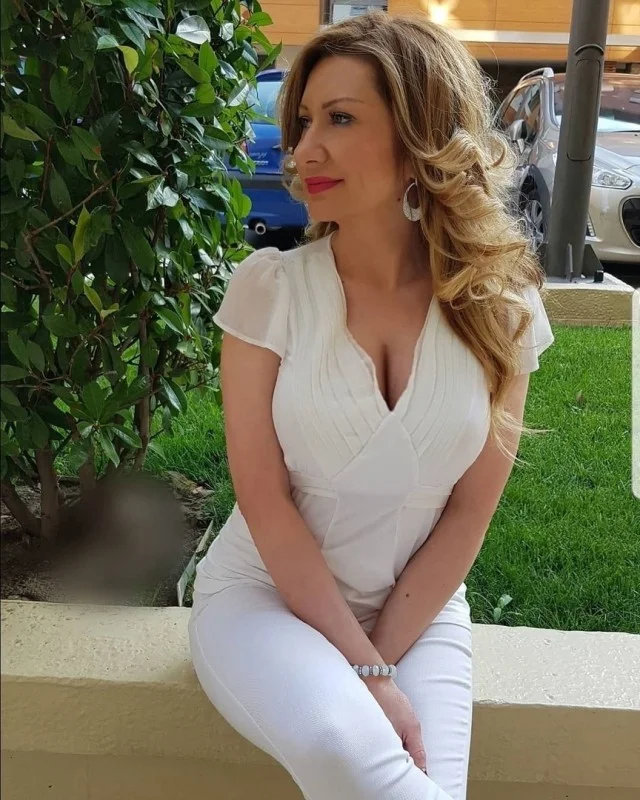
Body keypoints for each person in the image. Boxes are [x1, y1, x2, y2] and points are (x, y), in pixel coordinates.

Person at [189, 11, 554, 800]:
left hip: (419, 612)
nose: (304, 150)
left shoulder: (502, 306)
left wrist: (382, 662)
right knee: (346, 749)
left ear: (422, 136)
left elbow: (469, 513)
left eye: (341, 119)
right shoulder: (269, 291)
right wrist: (367, 675)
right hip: (264, 600)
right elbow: (264, 500)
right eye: (304, 121)